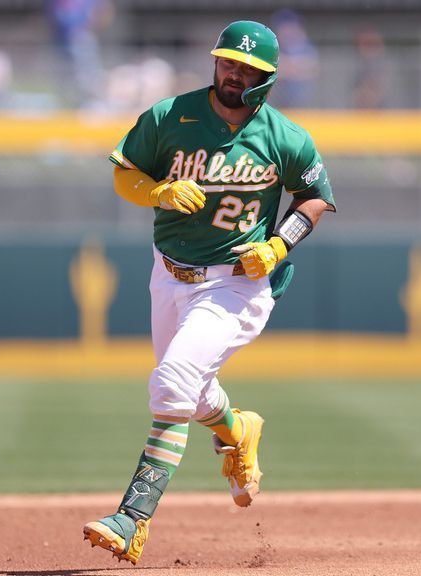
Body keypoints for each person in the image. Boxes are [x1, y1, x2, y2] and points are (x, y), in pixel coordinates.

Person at [82, 20, 335, 565]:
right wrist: (159, 190)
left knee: (172, 381)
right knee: (192, 394)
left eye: (247, 68)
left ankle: (133, 517)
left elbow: (315, 198)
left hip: (238, 283)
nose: (233, 72)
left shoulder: (284, 136)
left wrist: (279, 245)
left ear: (267, 78)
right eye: (227, 62)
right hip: (169, 272)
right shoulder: (170, 116)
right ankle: (237, 428)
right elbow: (124, 173)